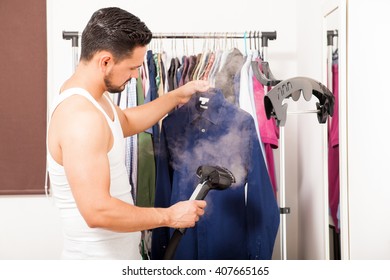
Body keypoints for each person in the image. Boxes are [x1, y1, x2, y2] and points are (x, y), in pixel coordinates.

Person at [47, 7, 209, 259]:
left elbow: (123, 121)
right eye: (133, 67)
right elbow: (97, 211)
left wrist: (177, 95)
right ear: (105, 61)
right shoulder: (81, 118)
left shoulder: (92, 98)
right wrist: (169, 215)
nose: (135, 76)